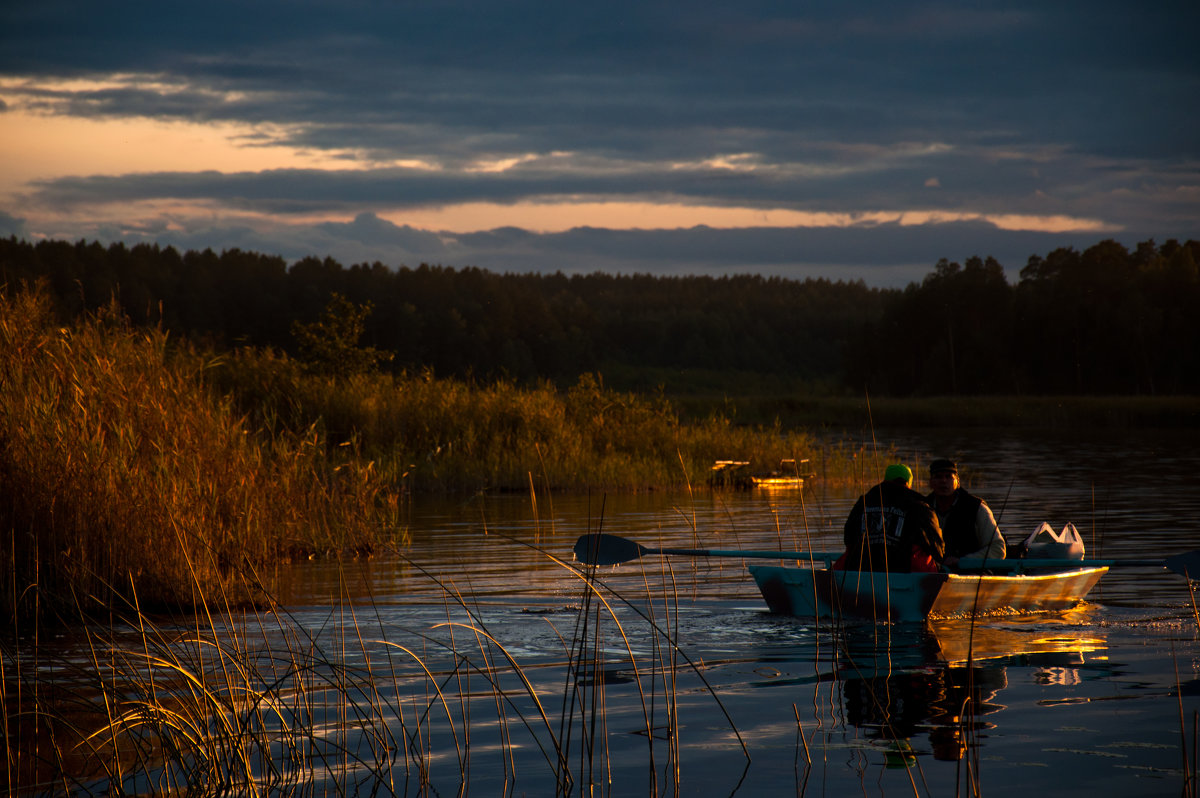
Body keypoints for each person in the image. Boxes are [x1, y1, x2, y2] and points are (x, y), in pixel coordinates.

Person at [842, 464, 945, 572]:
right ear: (908, 483)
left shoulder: (863, 502)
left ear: (885, 480)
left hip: (860, 568)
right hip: (903, 570)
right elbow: (936, 548)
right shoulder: (919, 504)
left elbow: (848, 538)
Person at [926, 459, 1006, 568]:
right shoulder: (922, 508)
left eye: (949, 476)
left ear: (957, 481)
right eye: (938, 477)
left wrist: (963, 561)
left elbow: (998, 549)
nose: (943, 481)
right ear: (931, 482)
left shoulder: (976, 508)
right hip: (931, 573)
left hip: (971, 572)